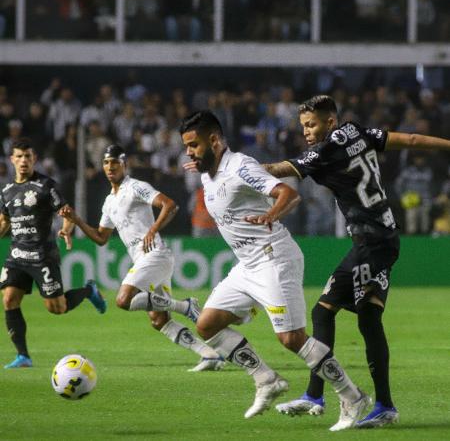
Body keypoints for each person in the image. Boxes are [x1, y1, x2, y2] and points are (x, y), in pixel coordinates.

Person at [263, 95, 450, 428]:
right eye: (303, 126)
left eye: (311, 124)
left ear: (330, 122)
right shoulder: (356, 132)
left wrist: (237, 170)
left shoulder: (323, 152)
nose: (306, 131)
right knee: (368, 318)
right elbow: (411, 140)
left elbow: (280, 170)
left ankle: (316, 396)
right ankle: (384, 406)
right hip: (387, 236)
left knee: (323, 311)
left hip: (369, 243)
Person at [180, 110, 370, 431]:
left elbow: (288, 193)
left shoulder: (240, 167)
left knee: (291, 338)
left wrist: (271, 214)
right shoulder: (206, 175)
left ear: (213, 140)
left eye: (194, 145)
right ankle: (265, 379)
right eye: (186, 146)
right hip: (247, 265)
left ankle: (352, 396)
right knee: (207, 324)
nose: (189, 152)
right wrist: (200, 162)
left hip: (274, 259)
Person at [60, 144, 224, 372]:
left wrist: (153, 229)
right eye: (106, 163)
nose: (110, 167)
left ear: (124, 165)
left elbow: (170, 205)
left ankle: (186, 306)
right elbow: (100, 238)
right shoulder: (109, 202)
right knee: (159, 321)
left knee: (123, 299)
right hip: (144, 260)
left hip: (155, 254)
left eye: (115, 162)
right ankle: (210, 355)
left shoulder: (136, 187)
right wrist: (76, 219)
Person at [1, 138, 106, 369]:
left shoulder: (46, 186)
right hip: (16, 255)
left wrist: (67, 230)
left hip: (42, 256)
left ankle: (89, 290)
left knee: (56, 308)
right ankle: (23, 356)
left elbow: (67, 213)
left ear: (34, 159)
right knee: (9, 299)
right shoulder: (7, 191)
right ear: (12, 160)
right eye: (19, 157)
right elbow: (4, 222)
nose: (23, 161)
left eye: (27, 156)